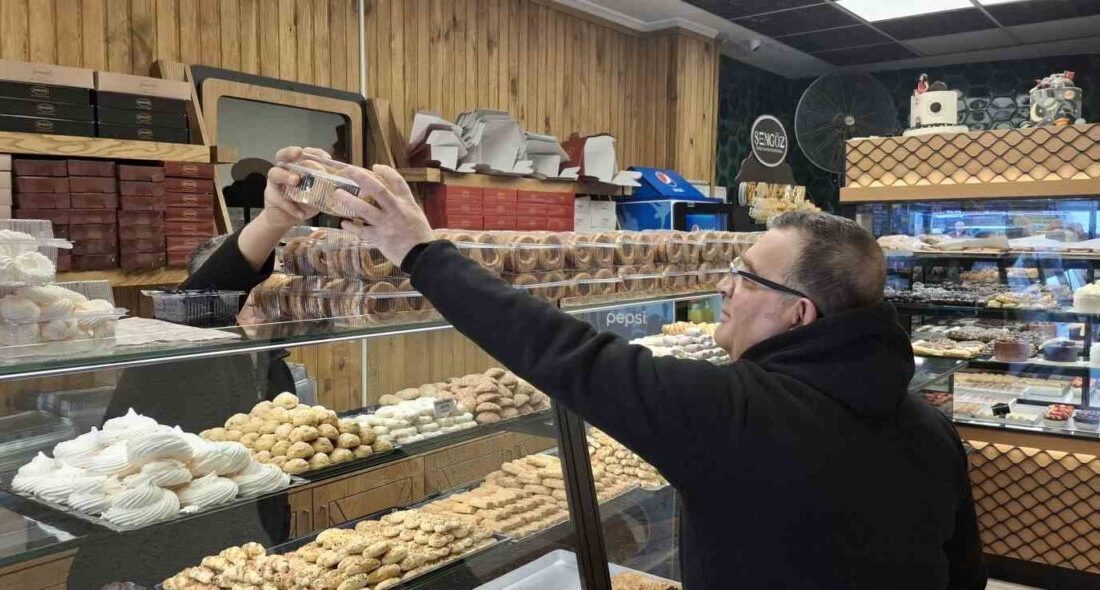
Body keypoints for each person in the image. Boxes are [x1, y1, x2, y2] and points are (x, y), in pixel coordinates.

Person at [324, 162, 986, 589]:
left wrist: (418, 248)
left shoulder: (736, 415)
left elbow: (560, 350)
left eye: (746, 275)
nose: (724, 286)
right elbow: (963, 576)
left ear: (798, 314)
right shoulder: (929, 428)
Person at [103, 147, 323, 431]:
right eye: (247, 292)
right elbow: (216, 281)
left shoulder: (271, 354)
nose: (262, 299)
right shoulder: (180, 345)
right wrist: (273, 221)